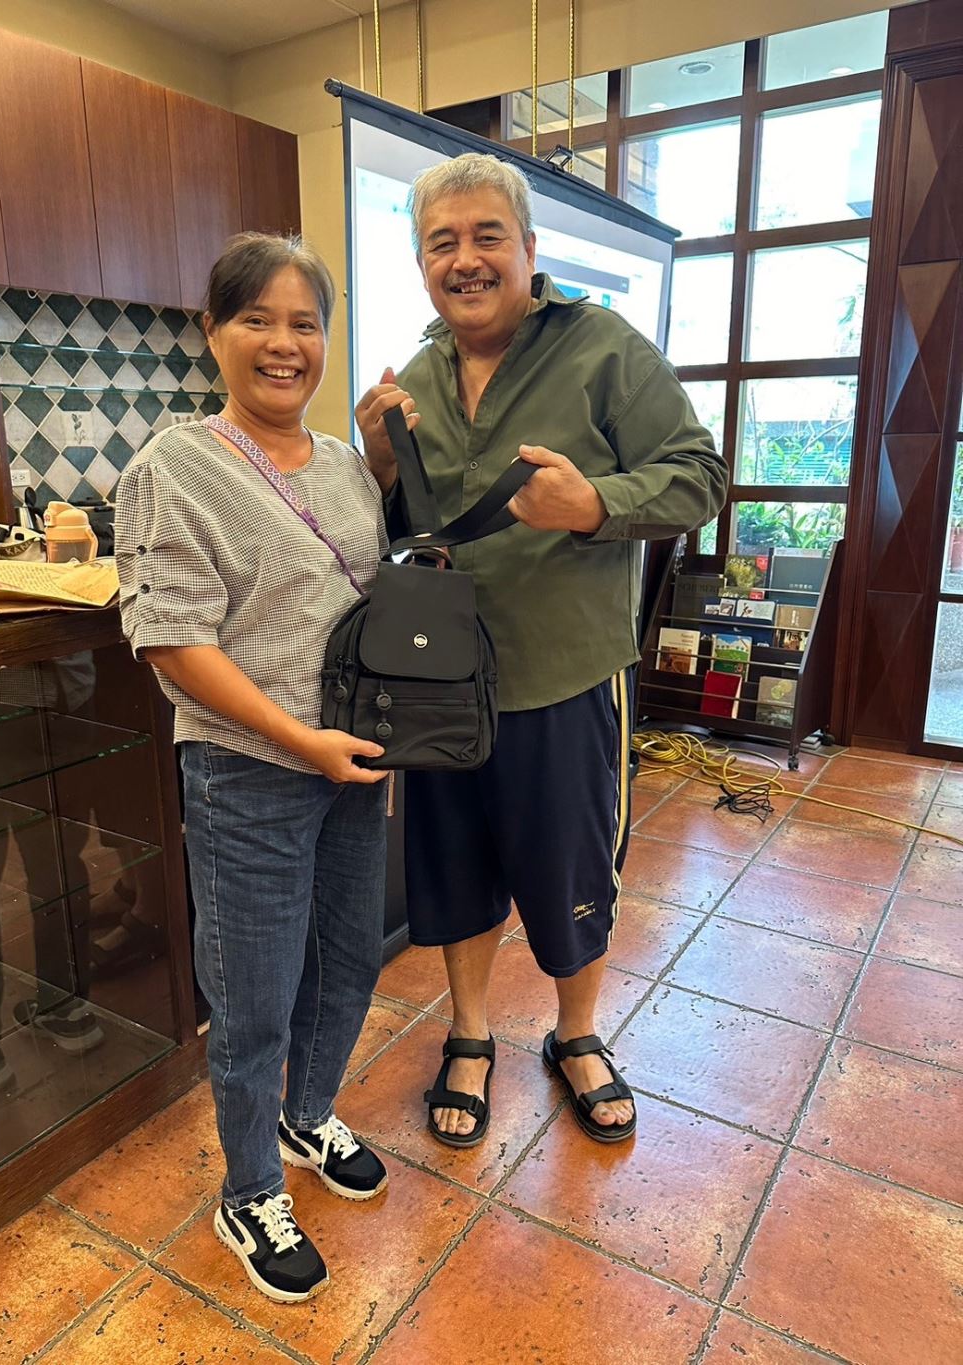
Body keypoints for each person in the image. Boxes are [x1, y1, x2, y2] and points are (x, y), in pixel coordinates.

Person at [356, 154, 726, 1147]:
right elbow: (404, 528)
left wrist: (596, 503)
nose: (465, 259)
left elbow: (700, 474)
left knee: (573, 870)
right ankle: (469, 1033)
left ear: (528, 248)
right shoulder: (415, 377)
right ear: (422, 262)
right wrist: (380, 464)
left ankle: (577, 1033)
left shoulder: (602, 348)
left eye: (486, 236)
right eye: (442, 243)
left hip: (564, 674)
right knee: (454, 868)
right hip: (442, 680)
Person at [116, 233, 390, 1304]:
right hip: (248, 771)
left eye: (304, 323)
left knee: (349, 959)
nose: (284, 344)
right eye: (257, 320)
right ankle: (248, 1190)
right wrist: (298, 737)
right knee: (254, 998)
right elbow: (172, 641)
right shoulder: (174, 468)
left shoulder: (345, 466)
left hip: (350, 763)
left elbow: (361, 601)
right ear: (213, 332)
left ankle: (307, 1115)